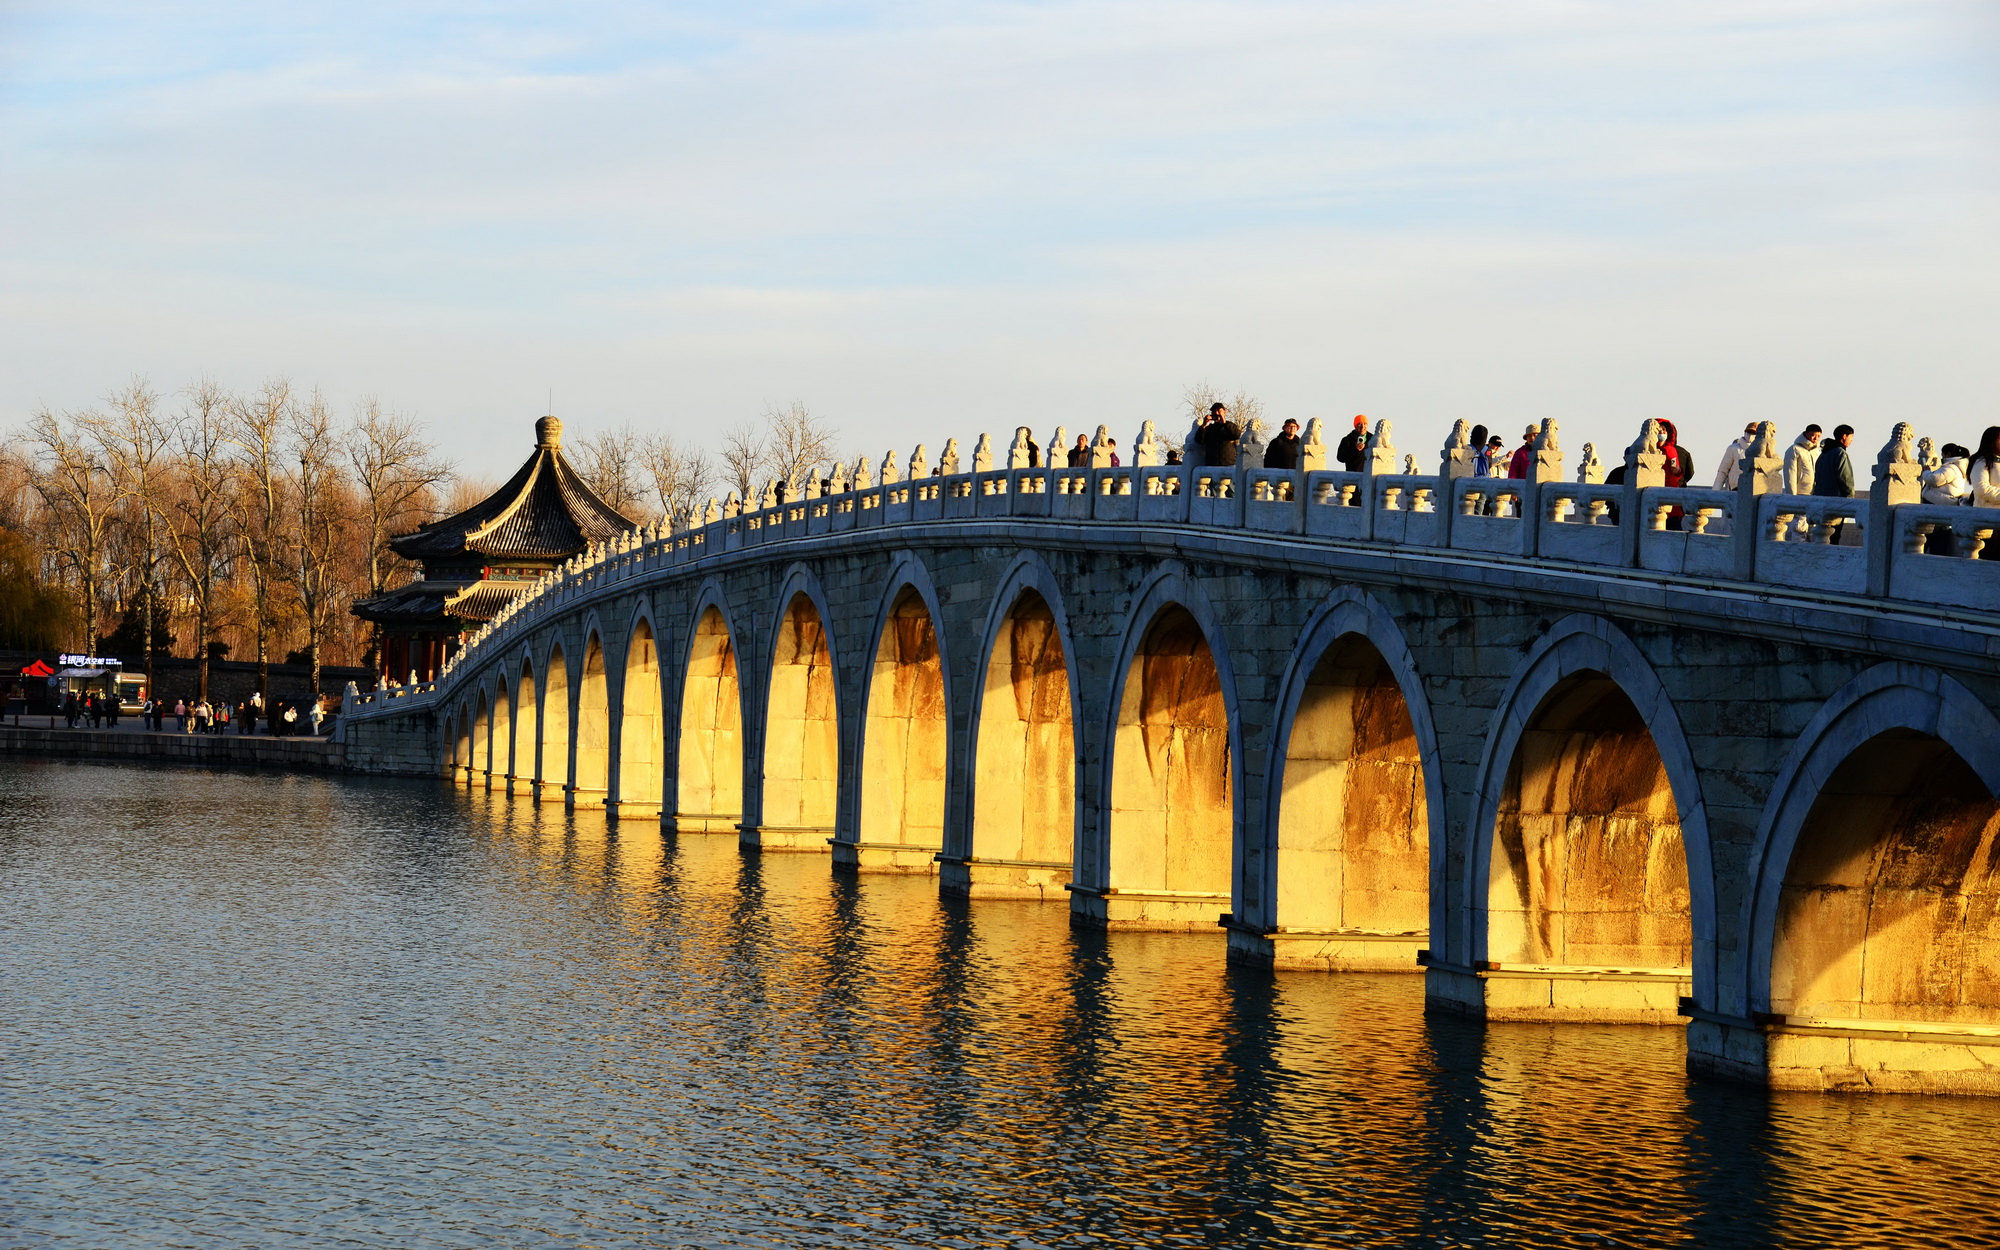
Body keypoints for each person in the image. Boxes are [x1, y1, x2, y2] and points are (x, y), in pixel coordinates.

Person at [1712, 422, 1760, 490]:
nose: (1750, 435)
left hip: (1754, 489)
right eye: (1748, 432)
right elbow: (1723, 471)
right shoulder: (1733, 448)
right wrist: (1715, 491)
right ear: (1745, 432)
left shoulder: (1760, 451)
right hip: (1735, 488)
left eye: (1753, 433)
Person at [1813, 425, 1855, 498]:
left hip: (1820, 498)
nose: (1852, 440)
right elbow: (1846, 478)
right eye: (1851, 436)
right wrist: (1850, 497)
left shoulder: (1823, 454)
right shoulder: (1840, 453)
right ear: (1844, 436)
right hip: (1836, 498)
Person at [1196, 403, 1240, 468]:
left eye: (1219, 411)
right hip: (1212, 464)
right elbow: (1199, 440)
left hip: (1228, 463)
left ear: (1225, 412)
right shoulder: (1209, 428)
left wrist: (1224, 423)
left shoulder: (1230, 426)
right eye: (1214, 412)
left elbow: (1236, 435)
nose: (1216, 413)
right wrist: (1204, 425)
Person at [1784, 424, 1822, 495]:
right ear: (1806, 434)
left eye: (1818, 436)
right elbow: (1790, 473)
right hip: (1801, 492)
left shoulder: (1818, 452)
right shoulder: (1794, 450)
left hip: (1816, 492)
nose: (1815, 438)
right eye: (1813, 435)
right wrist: (1792, 495)